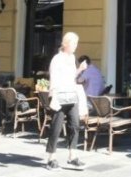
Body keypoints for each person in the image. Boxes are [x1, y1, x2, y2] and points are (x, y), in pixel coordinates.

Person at [45, 32, 88, 170]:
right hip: (59, 95)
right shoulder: (57, 59)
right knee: (56, 126)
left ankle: (72, 156)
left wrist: (80, 69)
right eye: (73, 43)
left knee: (74, 124)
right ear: (65, 44)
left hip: (71, 94)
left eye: (76, 43)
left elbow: (71, 77)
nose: (75, 46)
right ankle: (51, 158)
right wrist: (53, 95)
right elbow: (54, 77)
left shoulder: (72, 58)